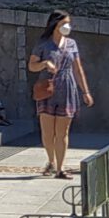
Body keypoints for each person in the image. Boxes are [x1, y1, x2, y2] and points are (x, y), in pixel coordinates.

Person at [28, 12, 91, 178]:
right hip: (48, 87)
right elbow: (31, 66)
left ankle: (60, 168)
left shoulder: (72, 44)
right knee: (48, 132)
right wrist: (43, 64)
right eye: (64, 23)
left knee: (63, 131)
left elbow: (78, 69)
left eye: (69, 23)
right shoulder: (43, 44)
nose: (67, 27)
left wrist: (85, 91)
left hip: (67, 87)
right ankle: (51, 160)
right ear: (55, 25)